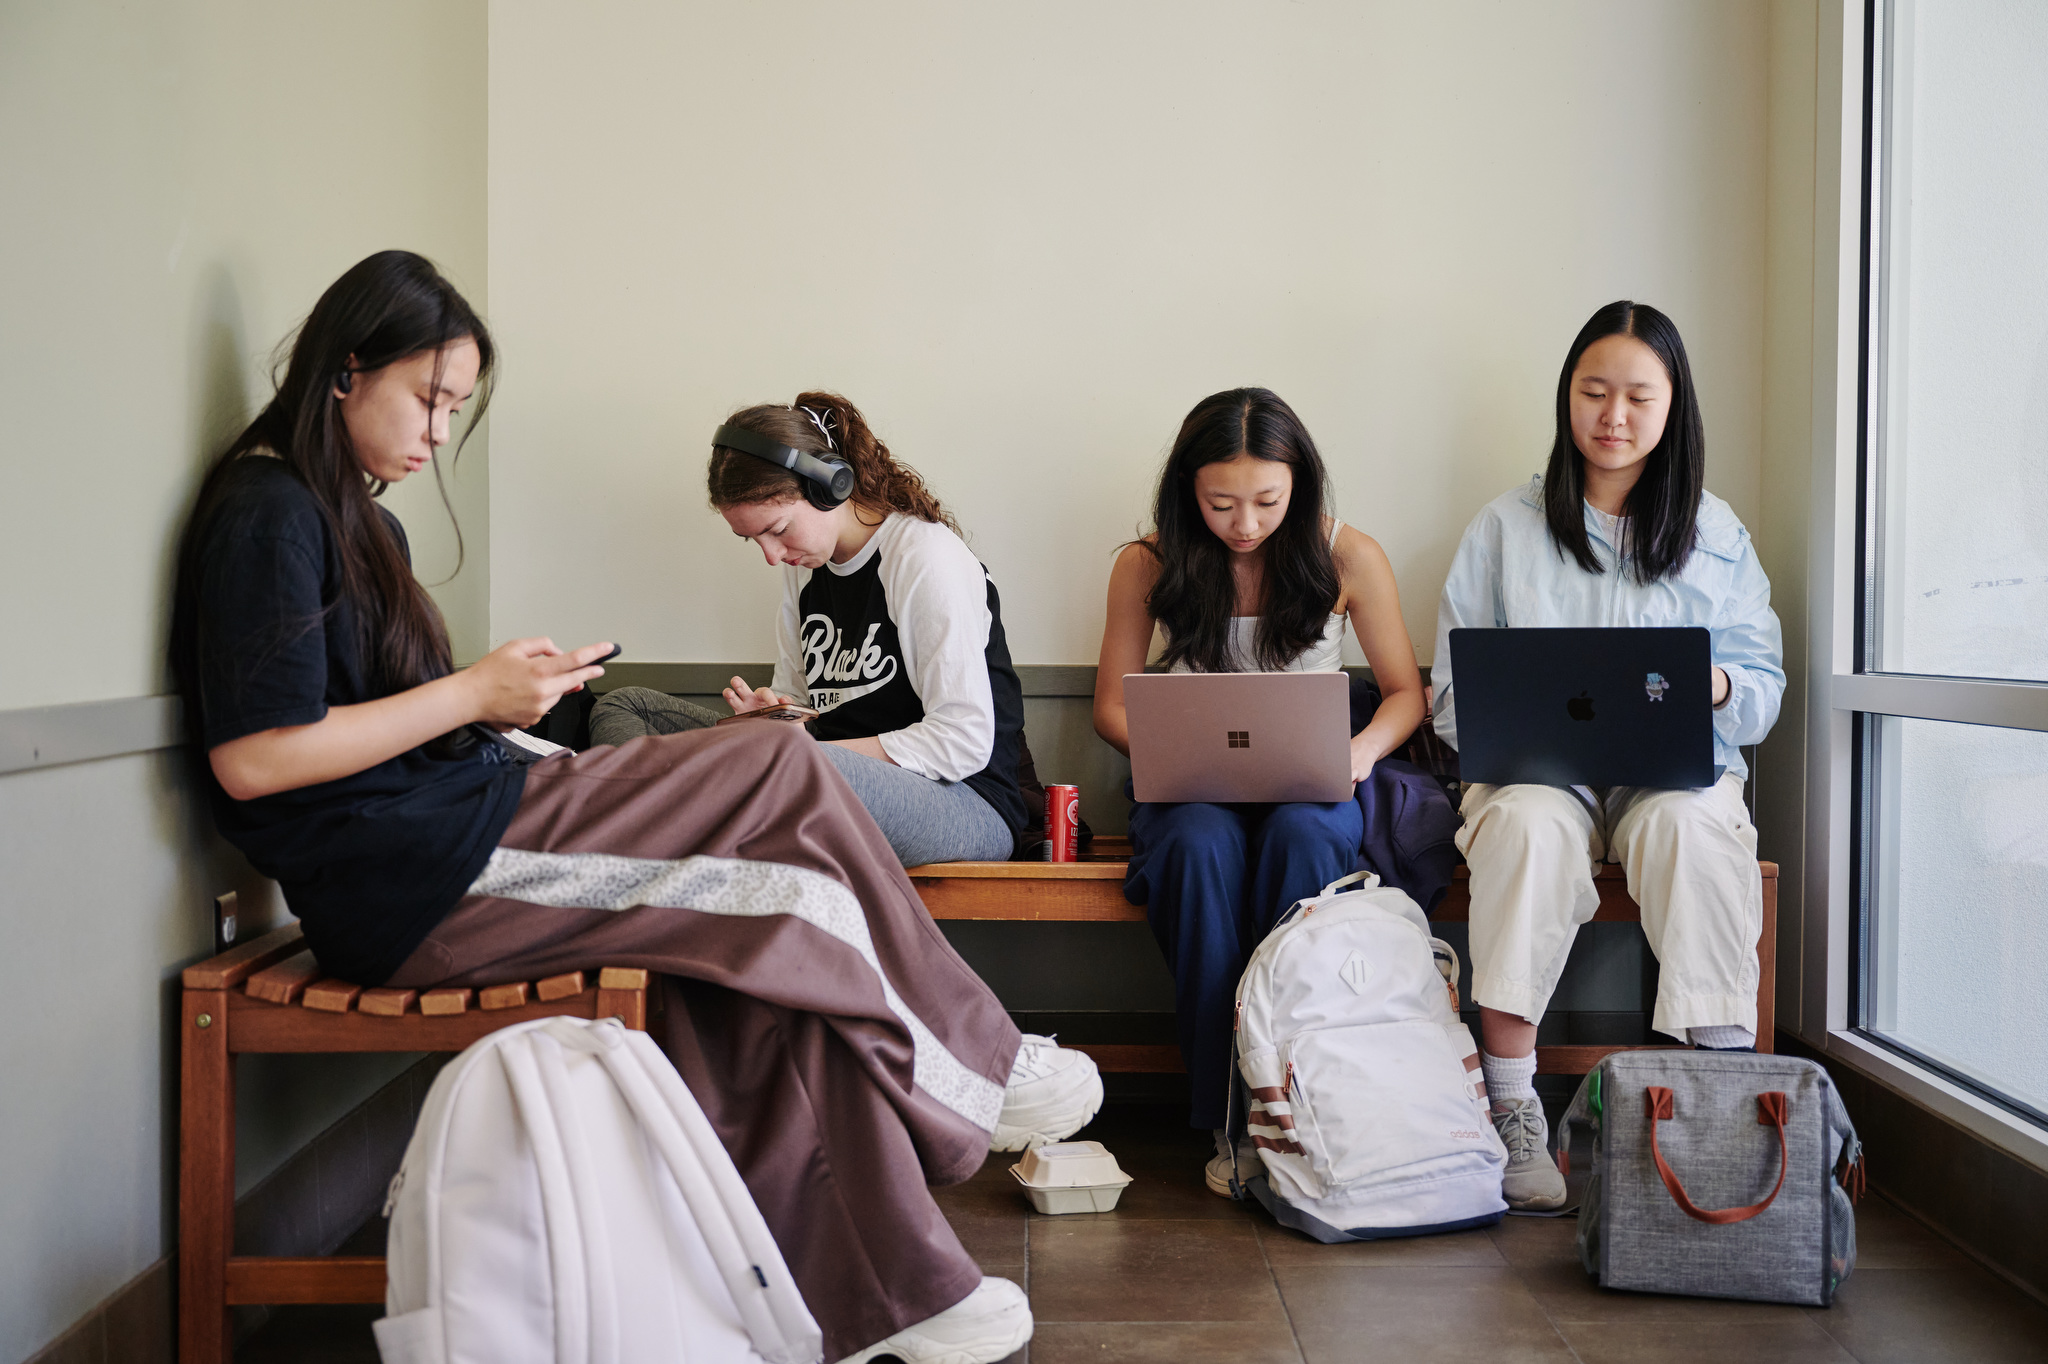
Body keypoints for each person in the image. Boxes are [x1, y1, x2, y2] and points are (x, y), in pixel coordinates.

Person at [169, 251, 1099, 1364]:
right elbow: (255, 759)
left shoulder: (356, 523)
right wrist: (474, 692)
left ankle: (884, 1295)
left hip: (461, 824)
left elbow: (373, 724)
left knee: (755, 927)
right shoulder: (266, 510)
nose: (436, 433)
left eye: (454, 408)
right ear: (343, 368)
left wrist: (502, 709)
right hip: (416, 881)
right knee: (773, 768)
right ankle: (977, 1068)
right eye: (428, 398)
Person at [1431, 300, 1785, 1212]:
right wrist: (1502, 725)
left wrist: (1710, 686)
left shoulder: (1717, 532)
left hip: (1676, 774)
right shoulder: (1505, 527)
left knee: (1696, 833)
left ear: (1674, 409)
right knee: (1525, 829)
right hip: (1540, 775)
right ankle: (1512, 1112)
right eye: (1594, 392)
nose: (1614, 416)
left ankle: (1711, 1106)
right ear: (1567, 399)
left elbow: (1763, 689)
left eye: (1638, 396)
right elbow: (1449, 695)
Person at [1091, 387, 1428, 1181]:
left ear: (1299, 484)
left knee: (1304, 837)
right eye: (1221, 504)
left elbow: (1406, 692)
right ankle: (1232, 1119)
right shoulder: (1147, 561)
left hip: (1312, 785)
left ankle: (1301, 1099)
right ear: (1188, 493)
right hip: (1190, 790)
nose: (1245, 524)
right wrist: (1174, 746)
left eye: (1267, 501)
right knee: (1198, 849)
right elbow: (1110, 706)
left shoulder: (1349, 555)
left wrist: (1359, 751)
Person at [591, 394, 1034, 869]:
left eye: (778, 529)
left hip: (964, 803)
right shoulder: (804, 567)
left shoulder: (924, 556)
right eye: (753, 539)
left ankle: (645, 830)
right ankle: (665, 825)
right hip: (820, 773)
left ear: (829, 486)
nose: (771, 555)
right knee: (626, 703)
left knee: (776, 770)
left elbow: (961, 741)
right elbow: (804, 710)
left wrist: (795, 752)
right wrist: (779, 721)